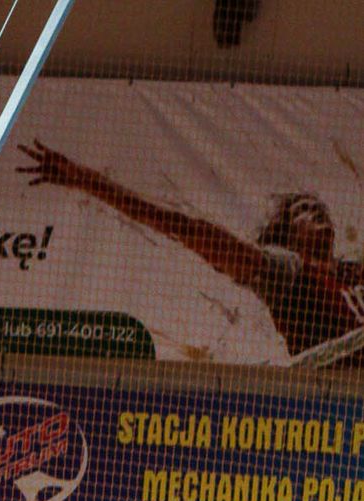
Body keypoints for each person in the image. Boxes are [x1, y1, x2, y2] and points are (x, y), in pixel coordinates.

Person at [18, 143, 364, 364]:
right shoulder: (287, 272)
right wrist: (89, 181)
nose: (316, 211)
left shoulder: (352, 271)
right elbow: (184, 228)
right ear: (286, 235)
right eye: (303, 209)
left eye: (318, 206)